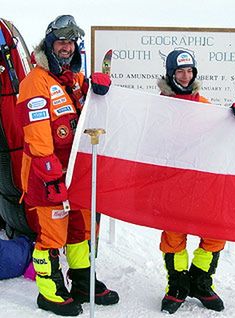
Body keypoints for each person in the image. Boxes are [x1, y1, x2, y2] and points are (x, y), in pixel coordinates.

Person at [16, 15, 118, 316]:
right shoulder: (36, 81)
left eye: (71, 42)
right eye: (61, 41)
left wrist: (100, 89)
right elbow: (37, 137)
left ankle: (83, 283)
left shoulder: (73, 79)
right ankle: (49, 292)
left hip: (73, 171)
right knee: (52, 236)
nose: (67, 47)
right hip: (45, 174)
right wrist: (50, 176)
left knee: (79, 231)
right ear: (49, 43)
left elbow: (90, 113)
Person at [157, 49, 235, 314]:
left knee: (214, 233)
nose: (185, 77)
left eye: (189, 71)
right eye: (180, 71)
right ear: (170, 74)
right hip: (173, 184)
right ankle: (177, 286)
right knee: (174, 237)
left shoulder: (205, 105)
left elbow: (222, 135)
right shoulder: (158, 107)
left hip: (202, 185)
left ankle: (200, 282)